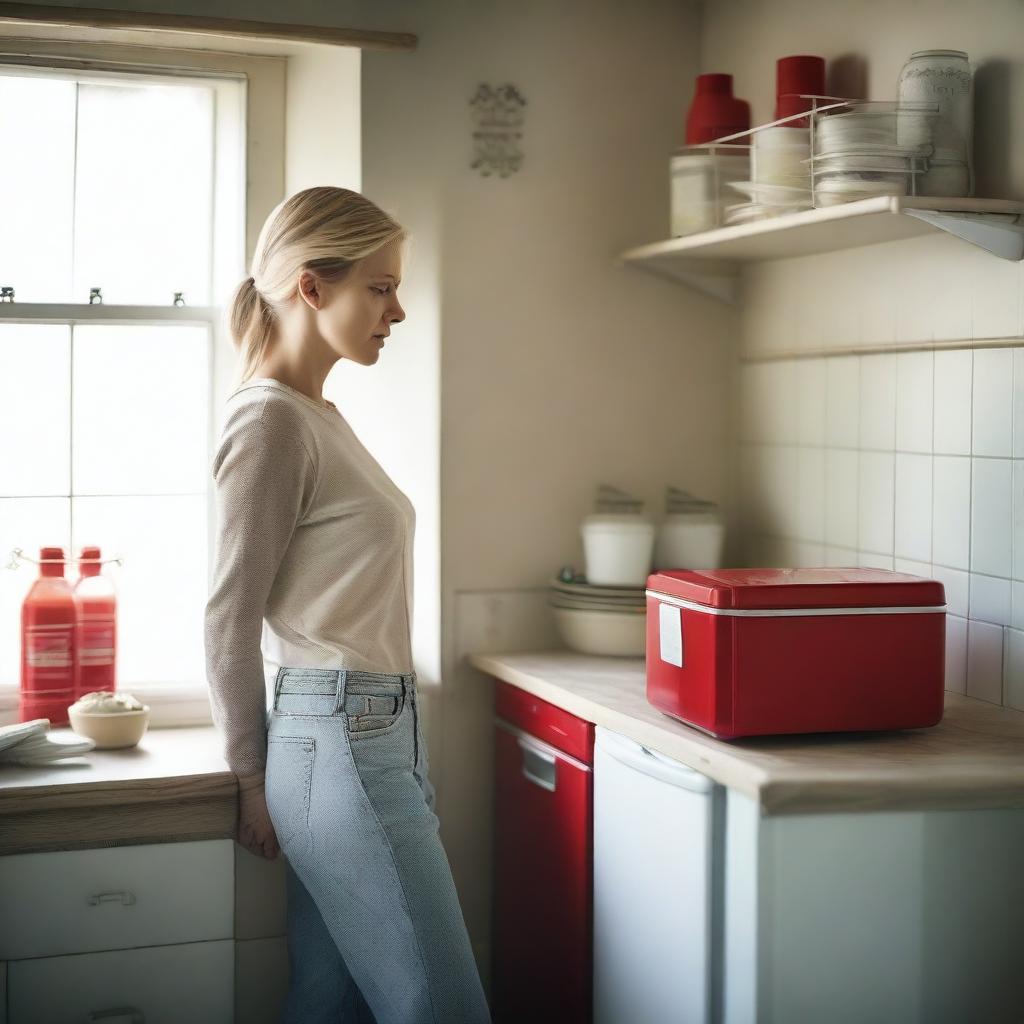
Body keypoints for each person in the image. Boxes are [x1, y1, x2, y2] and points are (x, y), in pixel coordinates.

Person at [204, 186, 491, 1024]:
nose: (397, 311)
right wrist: (251, 775)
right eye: (381, 286)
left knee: (330, 1004)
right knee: (446, 1008)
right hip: (339, 740)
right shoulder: (269, 424)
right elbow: (228, 618)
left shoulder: (316, 415)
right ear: (312, 287)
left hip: (372, 734)